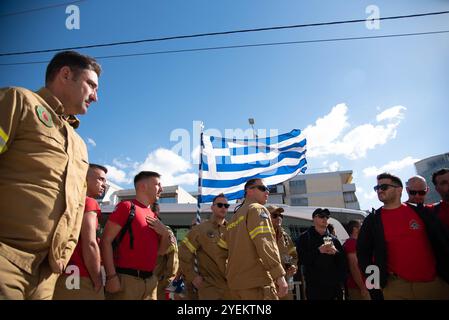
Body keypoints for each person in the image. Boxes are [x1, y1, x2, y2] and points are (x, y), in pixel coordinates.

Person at [0, 51, 101, 300]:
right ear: (65, 74)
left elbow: (77, 204)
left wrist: (62, 257)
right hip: (6, 260)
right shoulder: (19, 100)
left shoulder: (79, 143)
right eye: (91, 85)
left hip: (48, 275)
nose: (95, 97)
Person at [357, 172, 449, 300]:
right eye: (377, 188)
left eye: (384, 187)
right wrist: (374, 286)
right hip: (396, 286)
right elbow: (363, 254)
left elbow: (442, 242)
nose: (379, 190)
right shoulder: (372, 220)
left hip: (432, 284)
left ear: (399, 190)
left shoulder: (422, 213)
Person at [101, 171, 171, 300]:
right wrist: (111, 276)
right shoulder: (126, 207)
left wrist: (165, 234)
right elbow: (106, 241)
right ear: (143, 186)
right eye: (158, 184)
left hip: (150, 283)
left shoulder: (154, 216)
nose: (161, 188)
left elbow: (161, 252)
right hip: (126, 282)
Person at [221, 179, 288, 300]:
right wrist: (279, 275)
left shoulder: (233, 219)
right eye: (262, 188)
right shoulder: (257, 209)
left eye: (267, 189)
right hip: (256, 283)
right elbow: (265, 244)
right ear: (249, 191)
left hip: (235, 285)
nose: (267, 192)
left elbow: (223, 252)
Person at [53, 164, 107, 300]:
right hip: (80, 276)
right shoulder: (89, 202)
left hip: (60, 273)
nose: (104, 184)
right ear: (85, 178)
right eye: (100, 179)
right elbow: (90, 243)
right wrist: (97, 279)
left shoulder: (65, 200)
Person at [178, 193, 229, 300]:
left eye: (226, 205)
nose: (223, 208)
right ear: (212, 207)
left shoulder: (232, 230)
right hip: (210, 288)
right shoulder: (200, 229)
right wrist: (192, 277)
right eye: (220, 205)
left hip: (231, 288)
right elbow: (184, 252)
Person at [297, 208, 347, 300]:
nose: (325, 219)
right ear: (313, 219)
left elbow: (343, 262)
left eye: (327, 217)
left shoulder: (334, 239)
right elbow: (301, 259)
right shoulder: (304, 238)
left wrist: (336, 252)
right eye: (321, 216)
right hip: (315, 288)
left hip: (334, 288)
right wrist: (318, 251)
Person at [266, 205, 298, 300]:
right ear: (266, 217)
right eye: (275, 215)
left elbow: (294, 255)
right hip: (267, 283)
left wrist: (293, 266)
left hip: (285, 281)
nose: (279, 218)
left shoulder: (285, 236)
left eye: (281, 216)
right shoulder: (261, 236)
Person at [343, 220, 370, 300]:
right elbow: (354, 266)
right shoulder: (352, 243)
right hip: (358, 287)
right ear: (355, 229)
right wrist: (362, 287)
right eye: (360, 226)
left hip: (364, 285)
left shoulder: (355, 242)